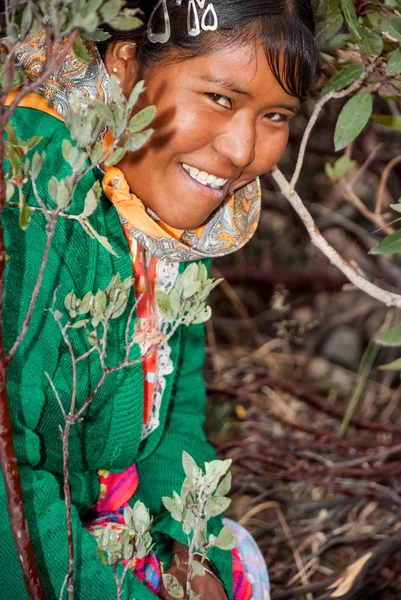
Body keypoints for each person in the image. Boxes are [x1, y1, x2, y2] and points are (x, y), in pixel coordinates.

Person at [1, 1, 318, 598]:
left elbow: (178, 408)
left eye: (275, 114)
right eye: (220, 99)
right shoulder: (34, 183)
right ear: (125, 67)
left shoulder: (164, 197)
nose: (242, 150)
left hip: (94, 500)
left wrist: (191, 551)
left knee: (236, 562)